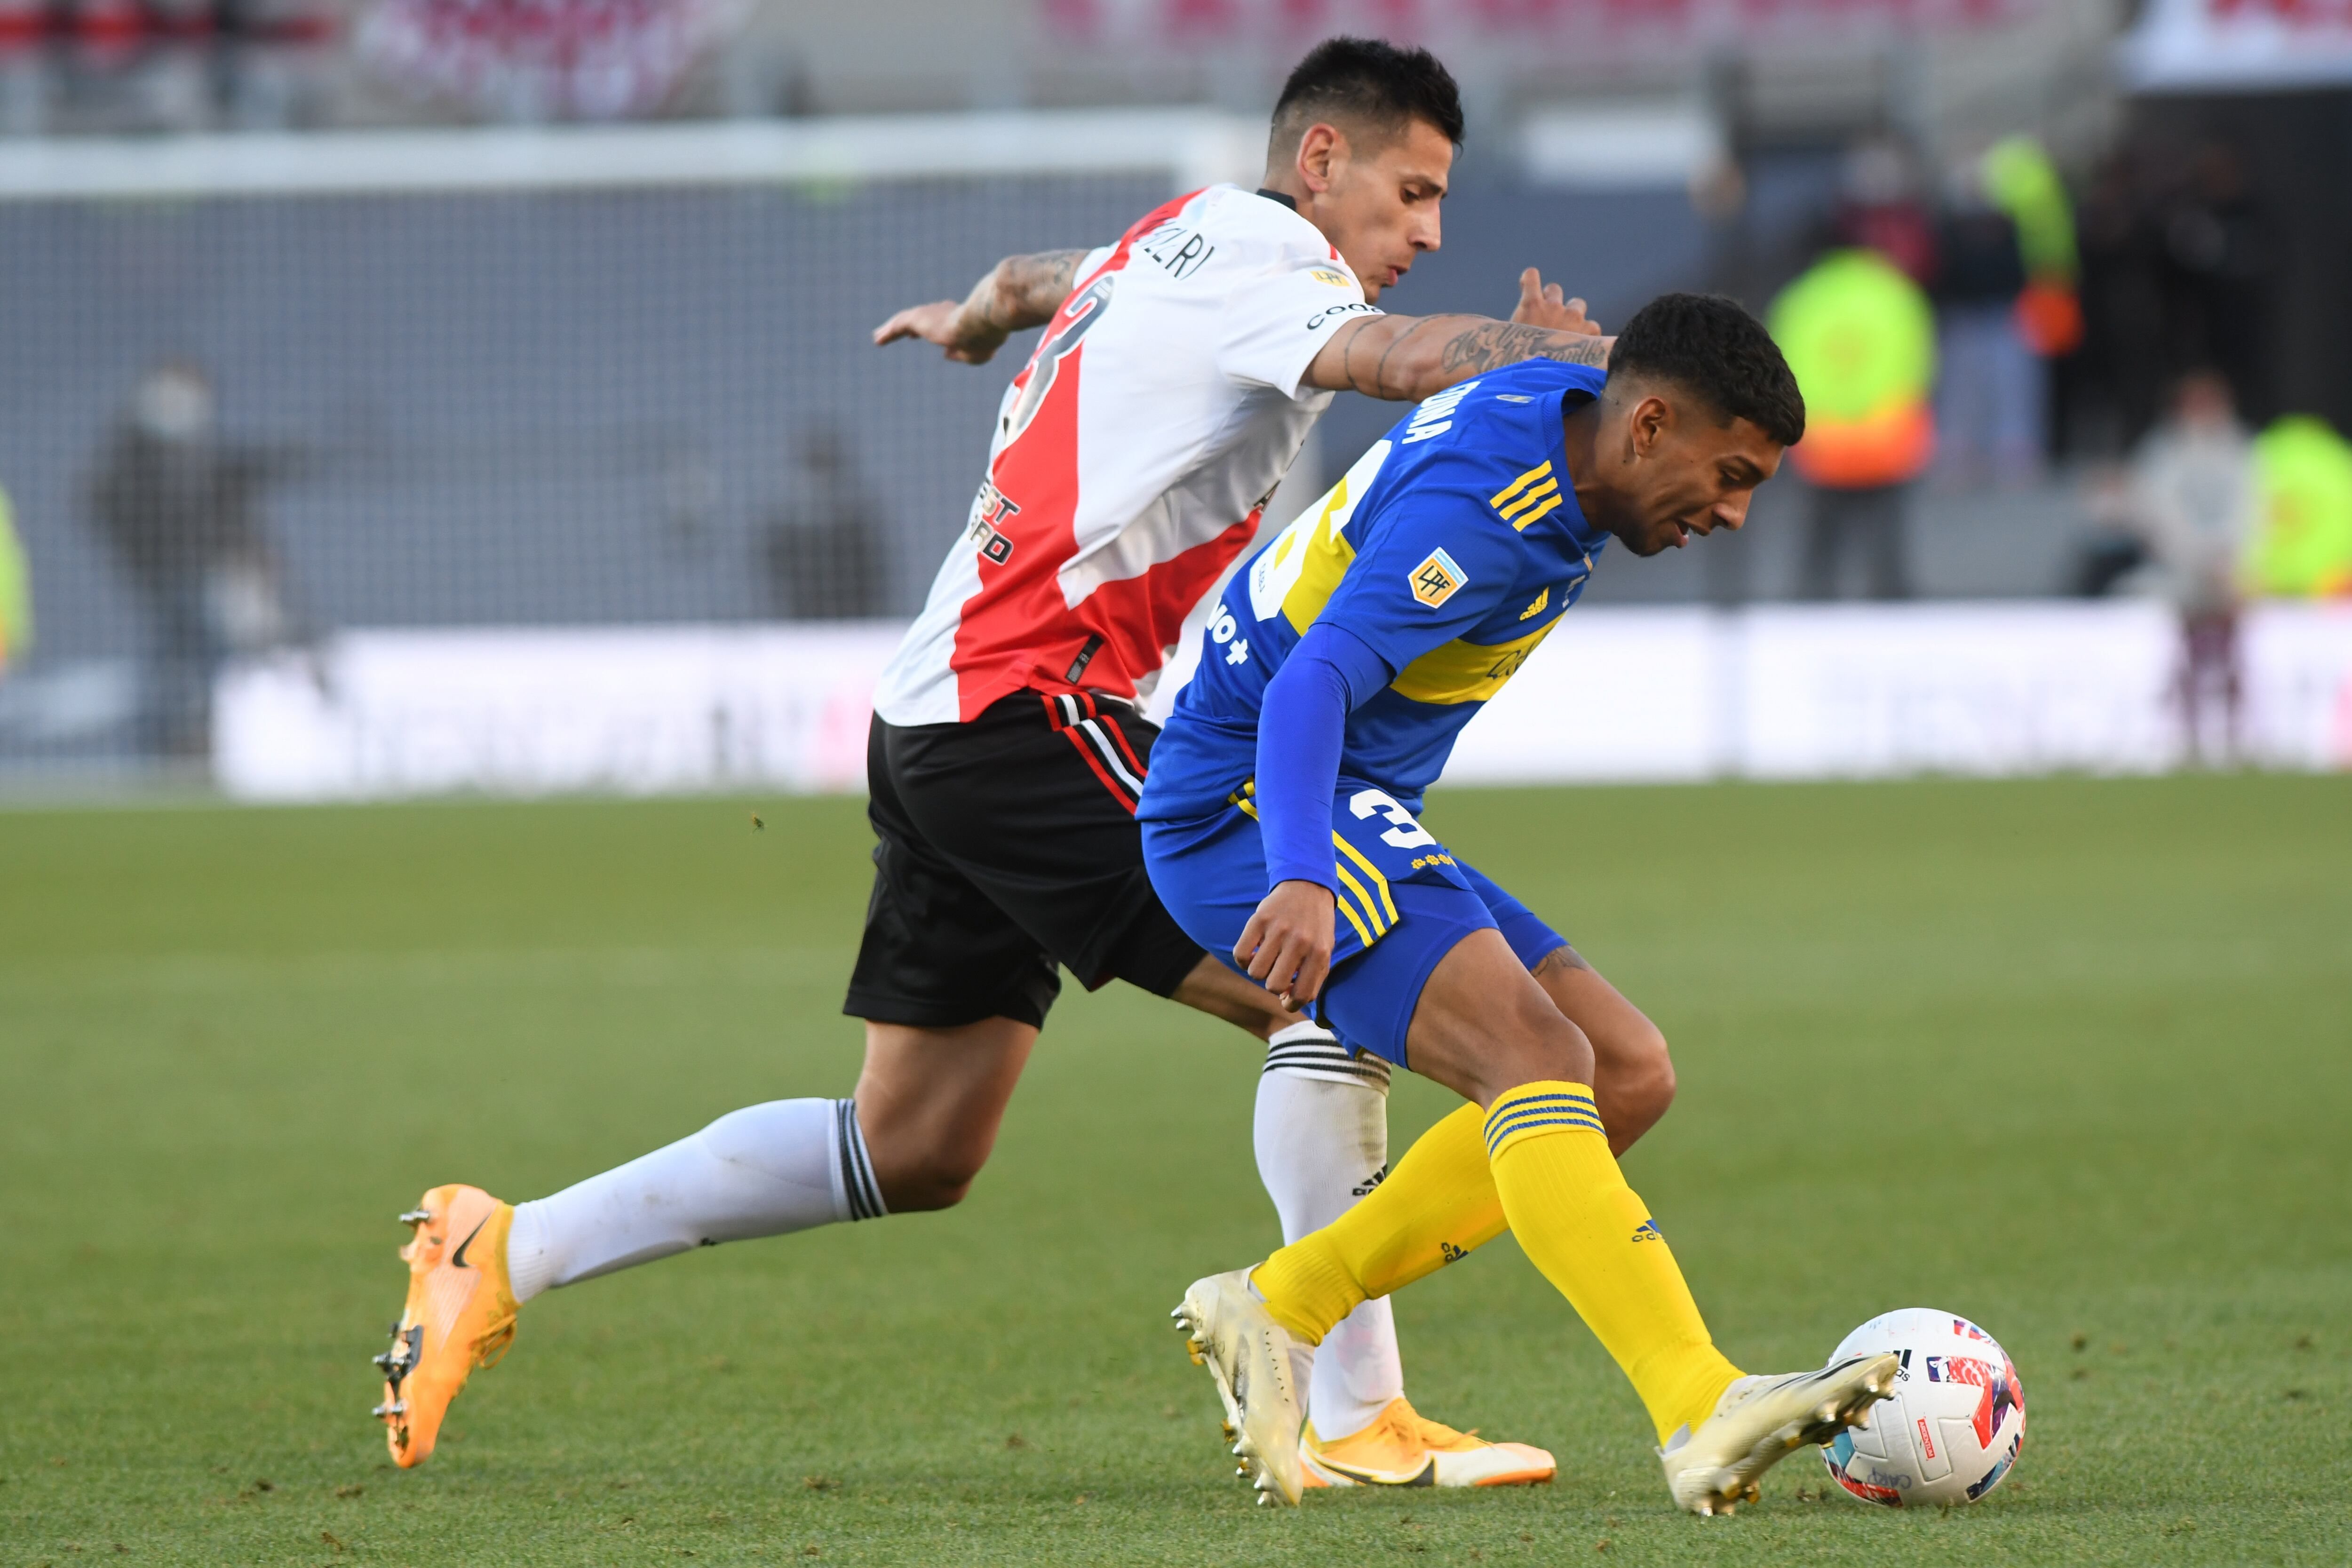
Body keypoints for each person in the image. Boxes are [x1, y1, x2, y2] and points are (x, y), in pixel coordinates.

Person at [373, 36, 1634, 1491]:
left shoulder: (1173, 240)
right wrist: (1587, 364)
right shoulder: (1274, 265)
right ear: (1320, 164)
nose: (1423, 233)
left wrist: (977, 315)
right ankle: (1354, 1415)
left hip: (936, 720)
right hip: (1037, 711)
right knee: (1335, 981)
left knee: (913, 1145)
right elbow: (1401, 364)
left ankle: (505, 1243)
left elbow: (1048, 274)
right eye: (1410, 193)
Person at [1139, 294, 1898, 1514]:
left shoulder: (1582, 413)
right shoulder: (1491, 514)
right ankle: (1698, 1402)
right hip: (1252, 794)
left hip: (1332, 793)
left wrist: (1538, 331)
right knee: (1538, 1052)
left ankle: (1276, 1306)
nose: (1735, 511)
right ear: (1649, 422)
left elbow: (1584, 359)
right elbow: (1311, 686)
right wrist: (1295, 870)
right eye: (1732, 473)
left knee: (1625, 1071)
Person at [83, 364, 296, 758]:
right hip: (173, 578)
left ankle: (197, 738)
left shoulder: (202, 456)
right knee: (182, 660)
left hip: (201, 575)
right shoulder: (136, 457)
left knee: (204, 658)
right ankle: (172, 741)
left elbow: (235, 504)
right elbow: (103, 503)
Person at [1769, 248, 1937, 600]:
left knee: (1820, 542)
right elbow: (1919, 364)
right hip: (1885, 438)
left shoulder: (1803, 298)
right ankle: (1892, 608)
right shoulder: (1895, 293)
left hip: (1821, 439)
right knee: (1886, 540)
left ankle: (1811, 608)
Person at [2123, 370, 2257, 764]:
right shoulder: (2163, 453)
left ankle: (2237, 736)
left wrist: (2230, 556)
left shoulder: (2240, 448)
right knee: (2185, 655)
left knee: (2234, 656)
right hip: (2182, 572)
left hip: (2230, 569)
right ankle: (2186, 736)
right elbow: (2160, 514)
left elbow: (2253, 508)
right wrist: (2200, 557)